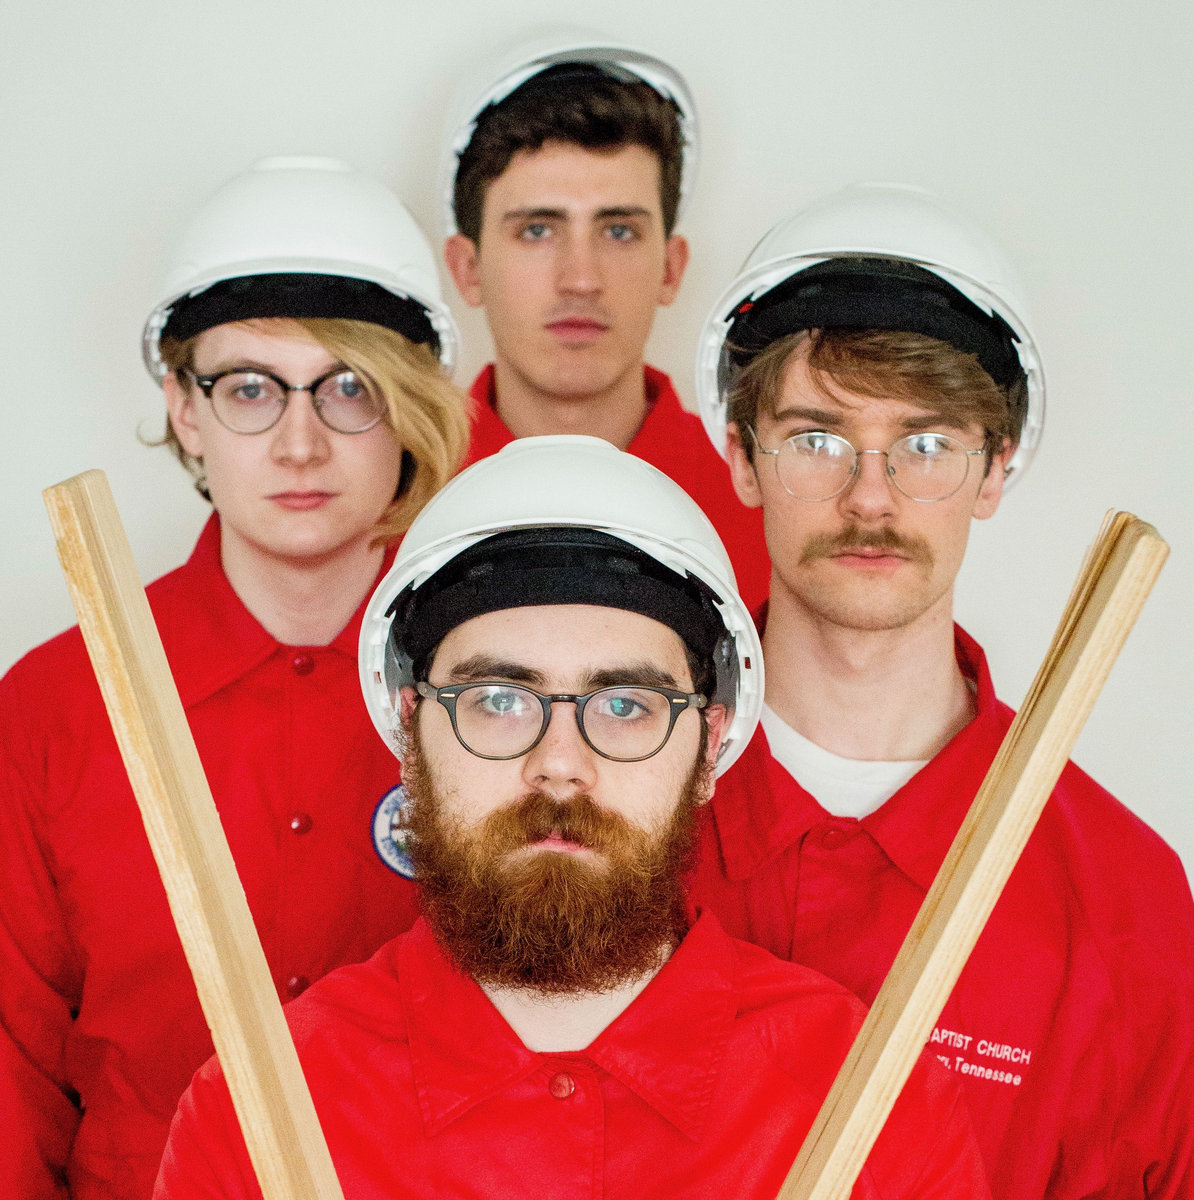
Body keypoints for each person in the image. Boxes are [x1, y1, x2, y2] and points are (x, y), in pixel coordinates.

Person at [154, 435, 989, 1199]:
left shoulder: (870, 1105)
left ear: (709, 746)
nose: (559, 763)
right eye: (498, 700)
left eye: (624, 706)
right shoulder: (262, 1108)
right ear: (411, 731)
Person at [688, 182, 1194, 1198]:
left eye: (926, 445)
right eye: (817, 439)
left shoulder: (1124, 899)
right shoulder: (606, 821)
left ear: (994, 470)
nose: (870, 496)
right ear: (742, 458)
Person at [0, 156, 470, 1200]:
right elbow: (11, 1068)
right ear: (184, 407)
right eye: (249, 388)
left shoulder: (505, 694)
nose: (301, 444)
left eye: (349, 388)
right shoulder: (53, 706)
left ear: (410, 408)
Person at [439, 31, 770, 609]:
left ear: (671, 268)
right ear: (468, 270)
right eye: (536, 230)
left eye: (618, 231)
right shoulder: (387, 500)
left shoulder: (767, 502)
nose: (581, 279)